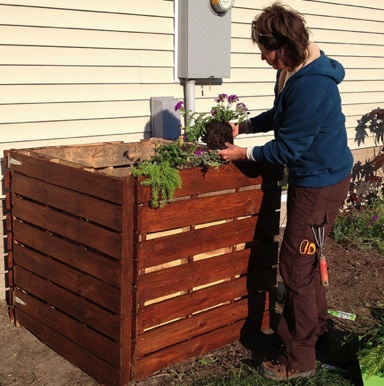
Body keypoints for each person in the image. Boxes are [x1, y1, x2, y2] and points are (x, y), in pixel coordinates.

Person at [217, 2, 353, 382]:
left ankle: (298, 358)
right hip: (315, 179)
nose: (263, 59)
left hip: (320, 184)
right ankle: (318, 332)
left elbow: (288, 147)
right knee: (305, 265)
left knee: (294, 268)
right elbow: (282, 115)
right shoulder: (297, 70)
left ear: (283, 44)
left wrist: (243, 153)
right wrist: (241, 126)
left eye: (265, 51)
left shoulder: (312, 85)